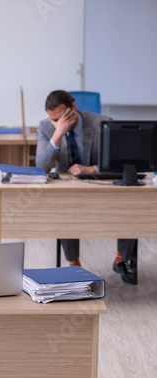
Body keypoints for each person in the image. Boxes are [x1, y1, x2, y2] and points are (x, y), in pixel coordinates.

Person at [35, 90, 137, 285]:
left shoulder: (103, 123)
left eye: (61, 117)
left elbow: (120, 161)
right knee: (65, 208)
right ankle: (74, 263)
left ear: (73, 107)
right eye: (53, 119)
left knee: (129, 202)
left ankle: (121, 259)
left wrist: (92, 169)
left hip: (102, 184)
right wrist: (58, 132)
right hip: (69, 190)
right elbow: (40, 167)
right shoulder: (47, 127)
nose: (57, 121)